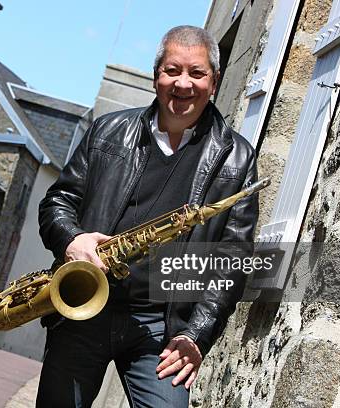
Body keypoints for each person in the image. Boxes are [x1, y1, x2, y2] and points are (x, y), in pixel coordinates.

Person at [37, 25, 259, 408]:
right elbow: (56, 203)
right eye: (172, 70)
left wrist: (197, 335)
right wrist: (73, 240)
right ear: (156, 75)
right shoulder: (108, 130)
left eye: (196, 73)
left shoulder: (238, 158)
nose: (183, 84)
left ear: (215, 81)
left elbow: (232, 260)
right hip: (84, 305)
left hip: (162, 327)